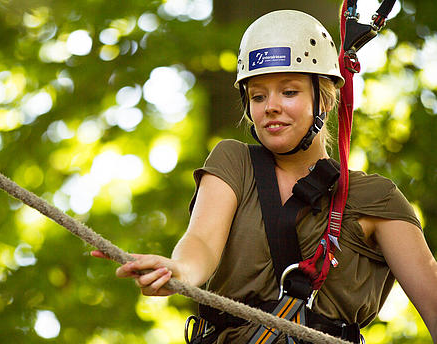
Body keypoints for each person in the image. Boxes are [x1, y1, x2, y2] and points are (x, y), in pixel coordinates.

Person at [92, 9, 437, 344]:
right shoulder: (235, 163)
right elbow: (201, 242)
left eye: (289, 92)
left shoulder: (375, 198)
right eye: (258, 95)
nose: (270, 106)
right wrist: (179, 271)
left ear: (326, 99)